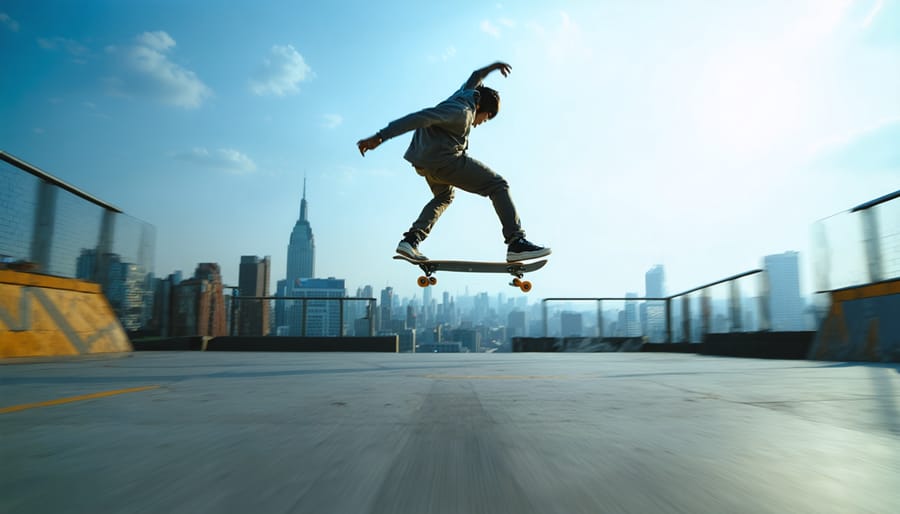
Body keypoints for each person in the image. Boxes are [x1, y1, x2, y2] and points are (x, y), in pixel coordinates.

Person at [357, 61, 551, 263]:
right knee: (498, 185)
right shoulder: (462, 112)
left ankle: (411, 241)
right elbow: (420, 117)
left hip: (423, 162)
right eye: (486, 118)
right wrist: (380, 137)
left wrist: (494, 67)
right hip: (446, 162)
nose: (481, 122)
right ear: (482, 108)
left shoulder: (464, 93)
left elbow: (476, 75)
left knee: (444, 195)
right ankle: (516, 242)